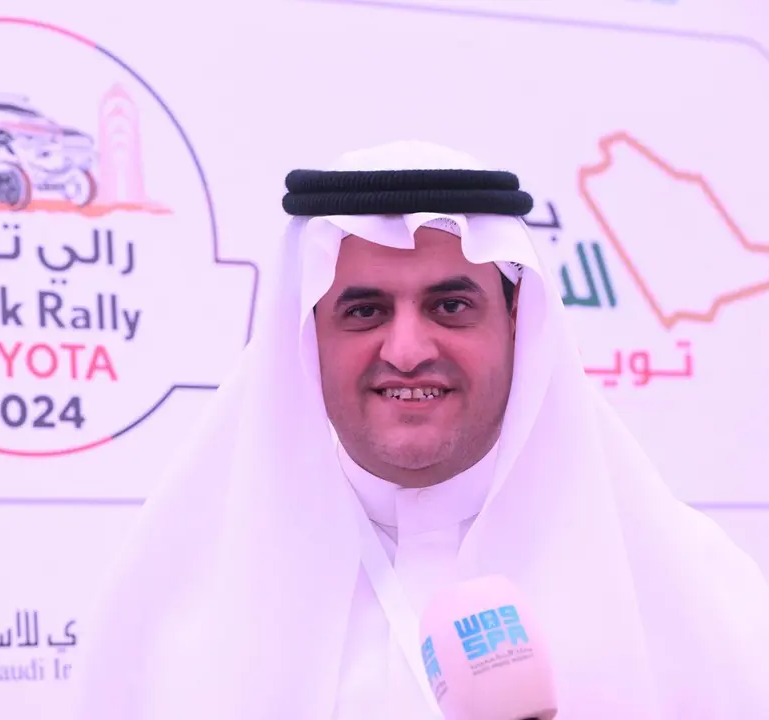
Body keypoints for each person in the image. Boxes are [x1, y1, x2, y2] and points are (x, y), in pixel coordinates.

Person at [75, 141, 769, 719]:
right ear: (308, 338)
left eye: (450, 306)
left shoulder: (698, 598)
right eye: (364, 312)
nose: (406, 351)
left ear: (518, 325)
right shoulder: (177, 609)